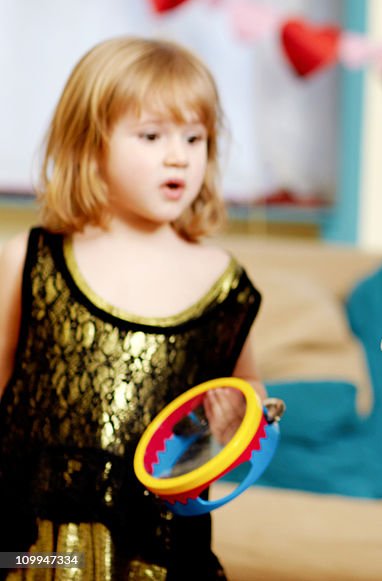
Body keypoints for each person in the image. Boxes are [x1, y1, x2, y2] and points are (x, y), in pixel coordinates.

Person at [0, 37, 263, 580]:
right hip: (34, 545)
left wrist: (238, 419)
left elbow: (247, 398)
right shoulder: (27, 260)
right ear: (89, 144)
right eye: (151, 136)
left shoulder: (224, 282)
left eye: (195, 138)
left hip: (161, 552)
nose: (179, 155)